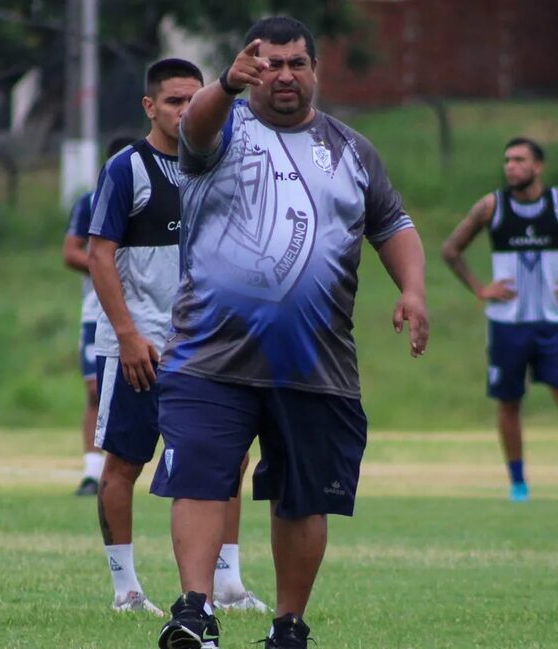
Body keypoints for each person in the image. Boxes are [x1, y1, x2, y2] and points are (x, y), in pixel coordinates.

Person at [151, 16, 428, 649]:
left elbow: (393, 224)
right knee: (198, 477)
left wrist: (412, 290)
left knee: (302, 499)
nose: (282, 74)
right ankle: (194, 613)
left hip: (314, 361)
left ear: (314, 69)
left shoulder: (352, 151)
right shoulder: (221, 130)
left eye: (294, 63)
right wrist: (222, 82)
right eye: (269, 63)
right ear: (252, 67)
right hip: (209, 355)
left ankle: (288, 627)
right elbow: (192, 126)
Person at [88, 58, 267, 615]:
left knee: (226, 460)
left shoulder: (218, 166)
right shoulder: (128, 169)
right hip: (141, 348)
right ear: (149, 106)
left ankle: (229, 584)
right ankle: (126, 590)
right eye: (173, 101)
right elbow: (98, 254)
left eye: (195, 98)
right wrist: (128, 332)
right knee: (123, 465)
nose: (186, 110)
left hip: (209, 347)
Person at [442, 137, 558, 503]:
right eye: (507, 160)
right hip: (508, 326)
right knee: (509, 402)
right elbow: (451, 250)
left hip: (552, 324)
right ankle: (518, 484)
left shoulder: (555, 205)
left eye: (520, 160)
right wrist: (480, 288)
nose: (511, 166)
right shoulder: (492, 206)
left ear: (538, 167)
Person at [61, 135, 135, 496]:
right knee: (95, 389)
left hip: (151, 310)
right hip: (98, 312)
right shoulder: (92, 201)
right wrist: (105, 267)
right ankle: (92, 472)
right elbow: (72, 252)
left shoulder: (160, 196)